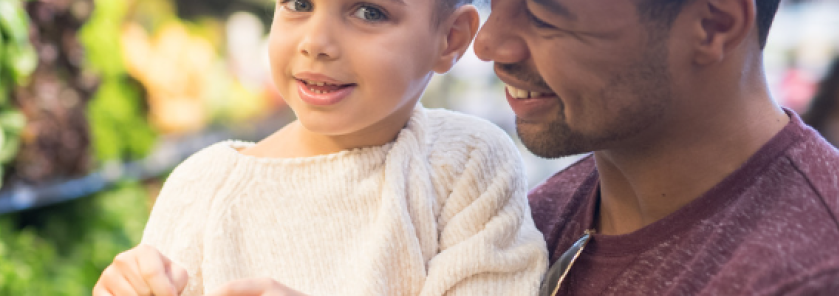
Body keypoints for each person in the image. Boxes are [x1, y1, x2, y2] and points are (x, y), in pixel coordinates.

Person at [471, 0, 839, 294]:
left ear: (713, 25)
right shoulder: (534, 218)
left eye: (544, 14)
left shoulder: (837, 279)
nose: (489, 43)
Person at [92, 0, 549, 295]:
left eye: (369, 12)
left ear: (450, 39)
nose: (315, 43)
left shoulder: (467, 162)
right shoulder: (201, 187)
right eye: (298, 4)